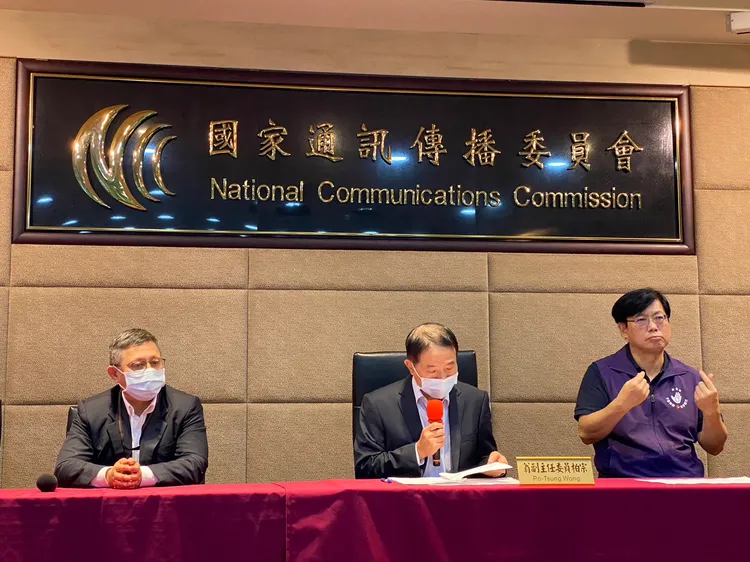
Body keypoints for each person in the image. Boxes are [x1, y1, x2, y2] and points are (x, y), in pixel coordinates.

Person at [575, 288, 727, 477]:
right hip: (624, 484)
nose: (653, 326)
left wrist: (712, 411)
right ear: (623, 329)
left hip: (683, 483)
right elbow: (586, 433)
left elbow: (715, 447)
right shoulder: (603, 372)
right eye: (641, 320)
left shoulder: (690, 377)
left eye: (659, 318)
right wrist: (622, 404)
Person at [55, 328, 208, 488]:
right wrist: (108, 475)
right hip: (109, 502)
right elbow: (66, 467)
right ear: (114, 374)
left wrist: (143, 475)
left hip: (165, 502)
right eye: (138, 365)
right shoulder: (91, 411)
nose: (150, 370)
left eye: (155, 362)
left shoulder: (185, 407)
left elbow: (195, 464)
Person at [355, 323, 508, 479]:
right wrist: (417, 451)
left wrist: (493, 465)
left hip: (459, 493)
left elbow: (484, 457)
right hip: (407, 494)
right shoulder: (378, 404)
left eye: (449, 367)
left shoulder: (475, 400)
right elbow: (364, 468)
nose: (443, 377)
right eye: (432, 370)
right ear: (410, 367)